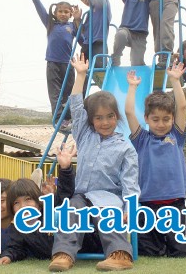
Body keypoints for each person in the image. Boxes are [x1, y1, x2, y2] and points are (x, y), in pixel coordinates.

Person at [48, 53, 140, 272]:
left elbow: (130, 182)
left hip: (109, 196)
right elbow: (76, 106)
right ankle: (63, 254)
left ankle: (120, 255)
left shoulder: (125, 147)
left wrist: (130, 207)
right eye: (98, 118)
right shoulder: (85, 135)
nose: (104, 122)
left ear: (117, 117)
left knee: (110, 213)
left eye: (109, 116)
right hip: (81, 195)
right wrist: (80, 75)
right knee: (70, 210)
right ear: (91, 121)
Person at [125, 60, 186, 257]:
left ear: (172, 119)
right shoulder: (142, 140)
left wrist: (175, 80)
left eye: (166, 119)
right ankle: (161, 244)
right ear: (146, 119)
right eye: (155, 119)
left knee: (185, 252)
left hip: (176, 204)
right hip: (148, 205)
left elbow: (182, 107)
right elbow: (129, 112)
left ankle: (172, 243)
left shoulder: (176, 136)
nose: (161, 124)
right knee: (147, 251)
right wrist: (132, 87)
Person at [0, 144, 103, 265]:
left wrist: (65, 168)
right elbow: (15, 247)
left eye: (28, 199)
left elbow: (64, 193)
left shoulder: (49, 210)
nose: (23, 206)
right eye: (16, 203)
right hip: (56, 258)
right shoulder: (19, 227)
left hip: (90, 245)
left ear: (38, 201)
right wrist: (8, 257)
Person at [23, 0, 81, 129]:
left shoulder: (72, 26)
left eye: (66, 12)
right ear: (55, 13)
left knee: (69, 92)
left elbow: (82, 38)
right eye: (60, 11)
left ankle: (68, 118)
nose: (63, 14)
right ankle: (59, 119)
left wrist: (77, 19)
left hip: (68, 64)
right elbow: (40, 9)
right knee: (55, 93)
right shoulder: (50, 24)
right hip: (53, 63)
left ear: (70, 14)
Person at [76, 0, 112, 72]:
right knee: (82, 72)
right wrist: (78, 19)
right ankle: (81, 87)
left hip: (98, 42)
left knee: (100, 69)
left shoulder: (102, 4)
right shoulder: (88, 14)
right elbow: (83, 31)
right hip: (87, 45)